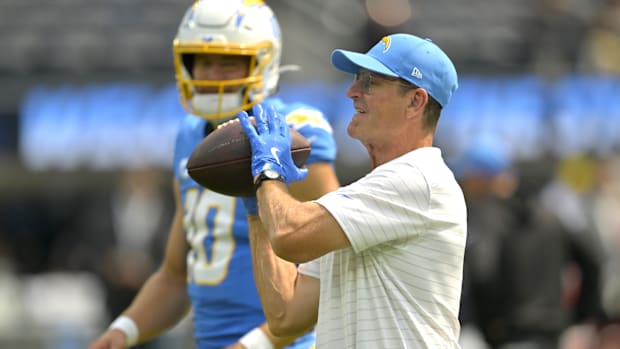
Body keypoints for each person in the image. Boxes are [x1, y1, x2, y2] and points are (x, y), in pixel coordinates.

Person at [88, 0, 340, 348]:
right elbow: (176, 276)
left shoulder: (294, 130)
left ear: (263, 63)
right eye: (203, 62)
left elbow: (336, 265)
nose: (211, 75)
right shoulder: (190, 136)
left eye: (228, 62)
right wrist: (122, 332)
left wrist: (254, 344)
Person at [238, 33, 466, 348]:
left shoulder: (419, 177)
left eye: (370, 83)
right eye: (357, 79)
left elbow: (290, 235)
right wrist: (255, 208)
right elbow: (286, 315)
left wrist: (267, 173)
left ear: (415, 101)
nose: (352, 92)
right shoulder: (366, 196)